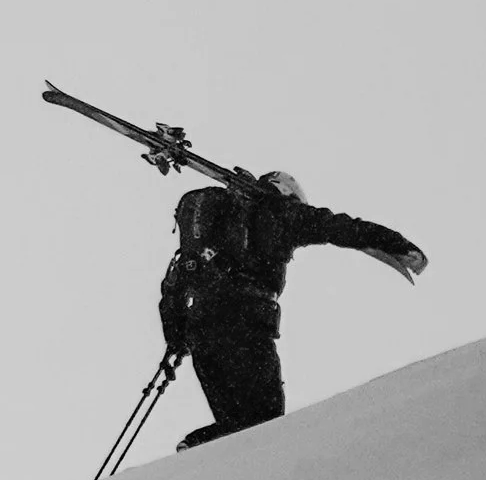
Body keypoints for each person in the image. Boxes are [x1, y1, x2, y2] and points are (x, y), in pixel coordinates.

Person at [160, 169, 426, 448]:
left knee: (239, 430)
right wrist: (395, 243)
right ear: (287, 192)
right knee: (268, 423)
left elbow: (175, 282)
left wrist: (176, 339)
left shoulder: (220, 226)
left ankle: (195, 452)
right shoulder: (283, 213)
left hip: (201, 333)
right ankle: (197, 450)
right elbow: (341, 227)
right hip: (246, 326)